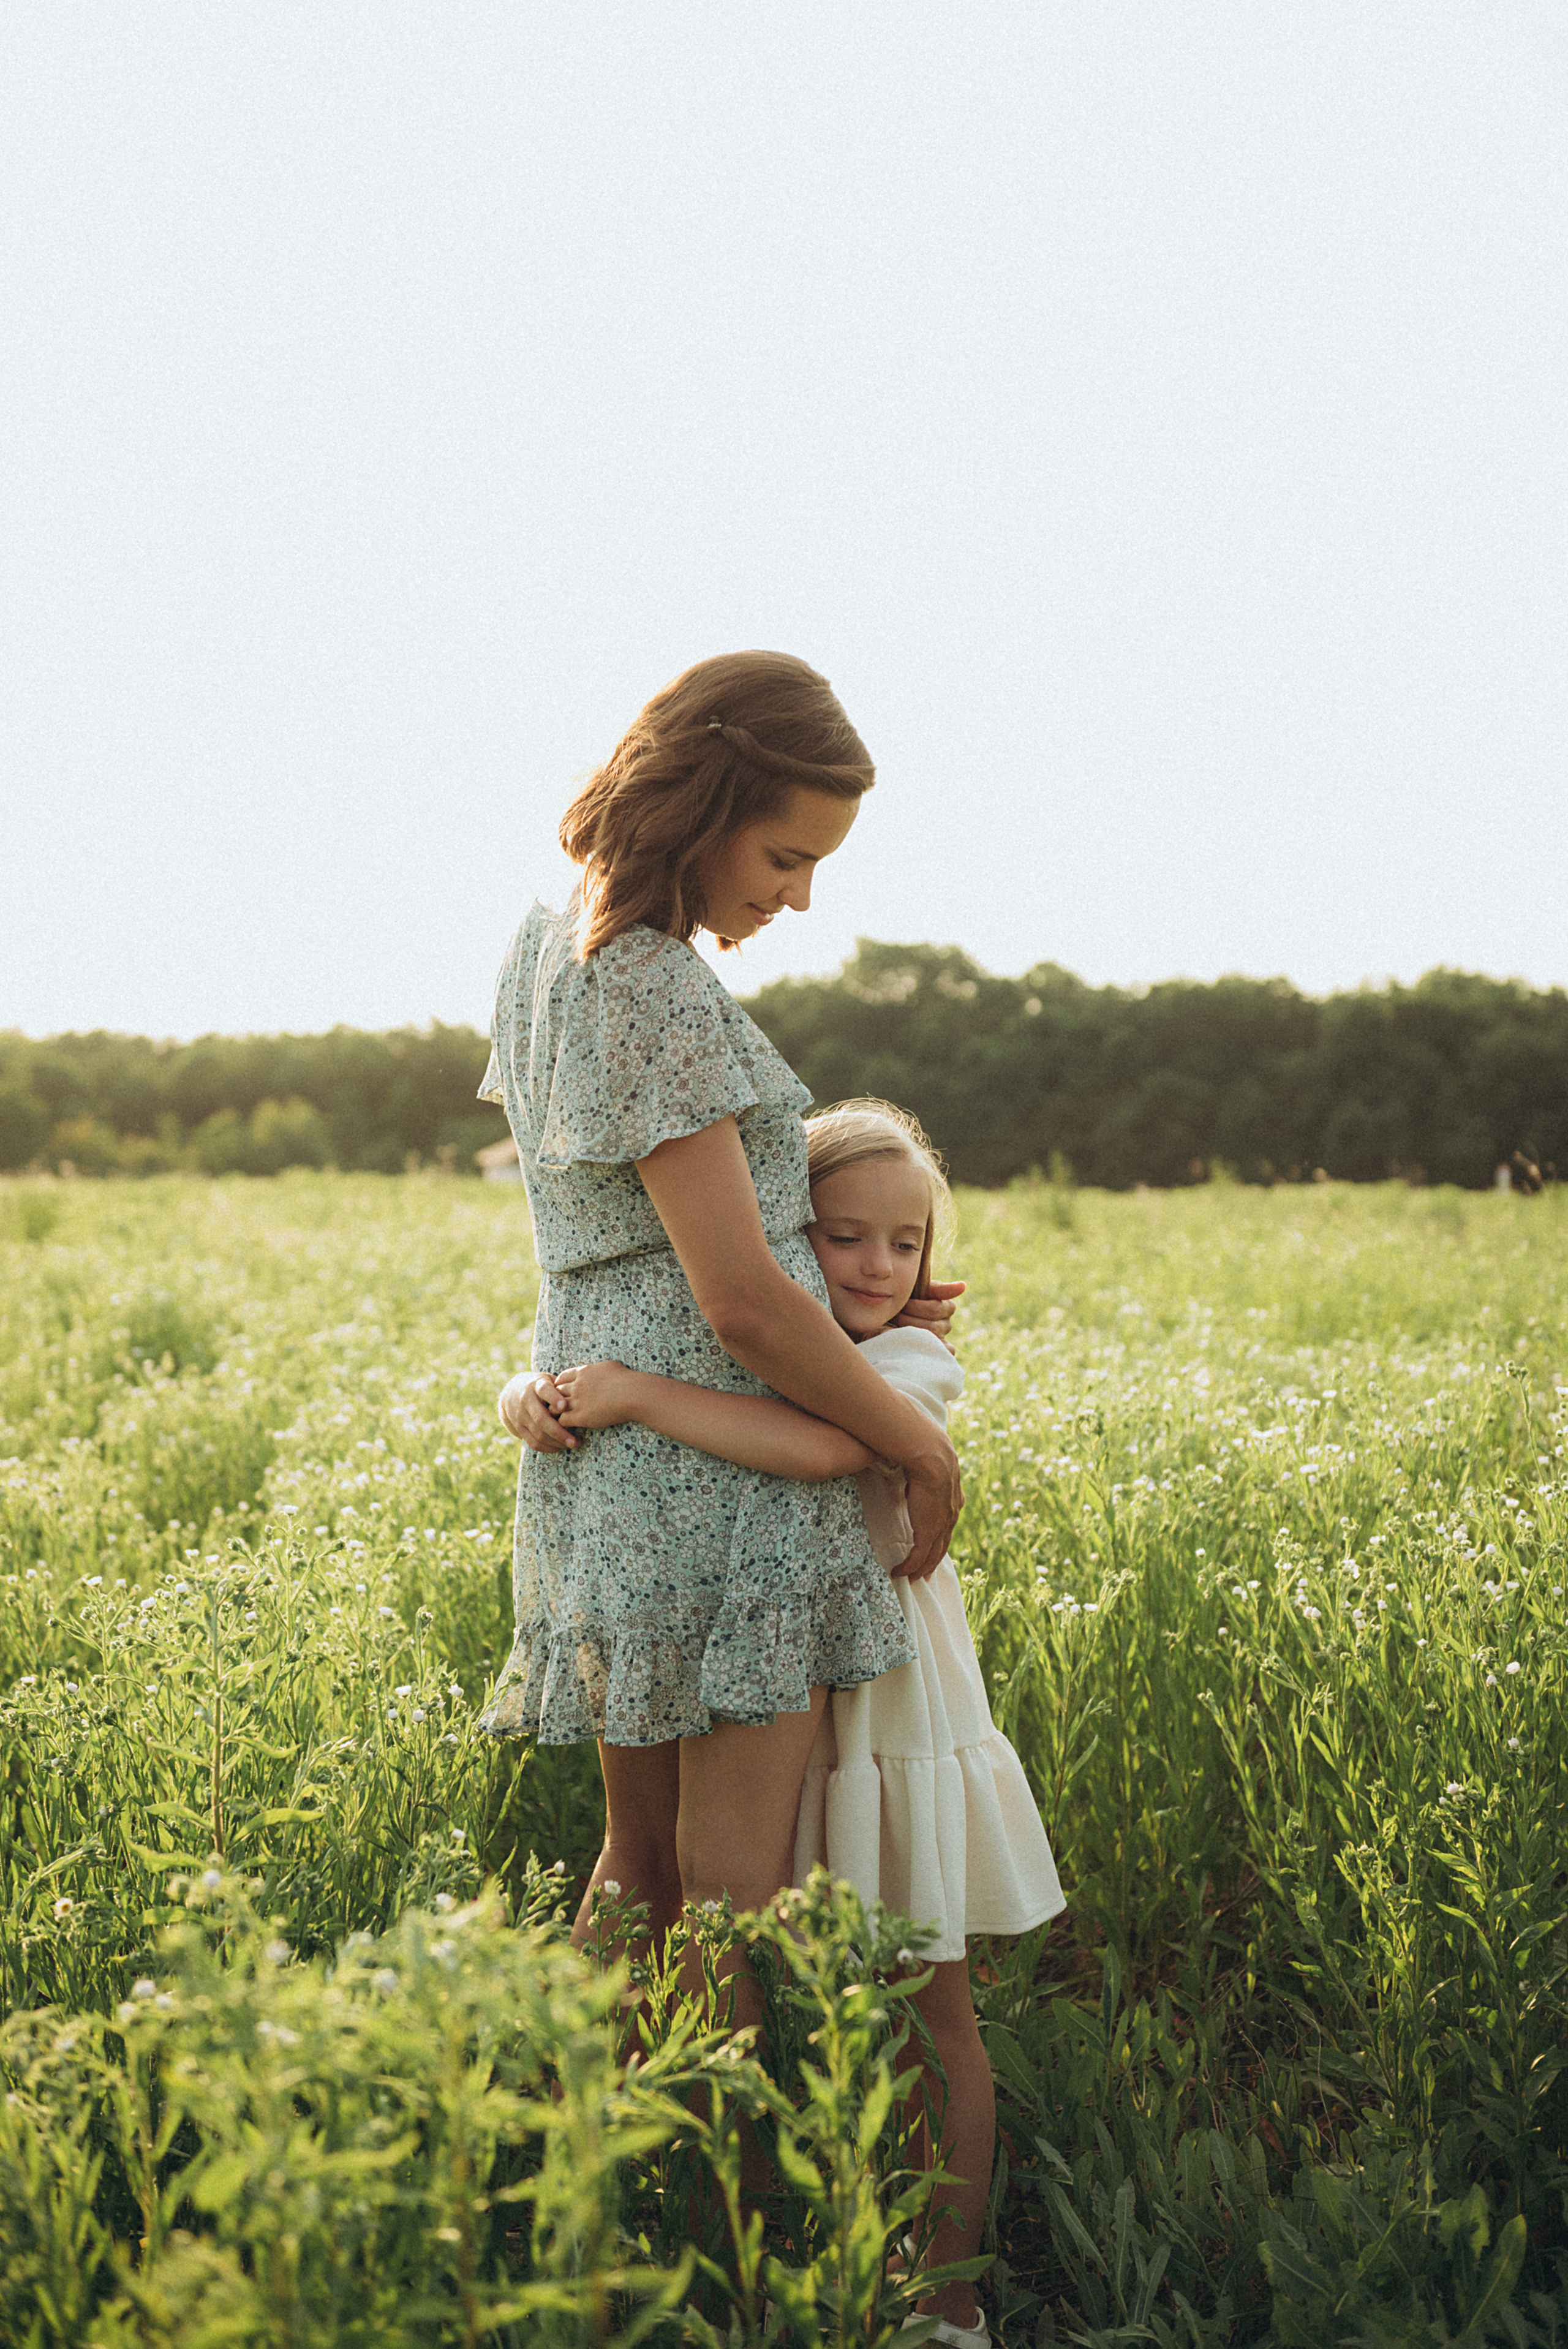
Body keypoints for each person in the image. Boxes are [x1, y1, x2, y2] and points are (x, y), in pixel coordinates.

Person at [483, 652, 964, 2018]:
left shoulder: (542, 950)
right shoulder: (653, 985)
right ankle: (721, 2216)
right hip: (719, 1481)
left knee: (634, 1869)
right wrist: (916, 1449)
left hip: (607, 1468)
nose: (795, 895)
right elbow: (739, 1299)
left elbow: (622, 1232)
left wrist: (861, 1308)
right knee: (729, 1896)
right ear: (703, 793)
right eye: (782, 852)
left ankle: (607, 2182)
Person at [544, 1101, 1065, 2349]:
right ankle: (743, 2234)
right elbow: (648, 1383)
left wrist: (630, 1394)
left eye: (902, 1242)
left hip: (886, 1724)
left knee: (919, 2000)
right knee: (780, 1984)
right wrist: (548, 1393)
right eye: (842, 1238)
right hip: (785, 1714)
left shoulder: (903, 1368)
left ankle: (944, 2302)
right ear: (781, 1235)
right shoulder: (766, 1348)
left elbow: (812, 1448)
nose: (877, 1268)